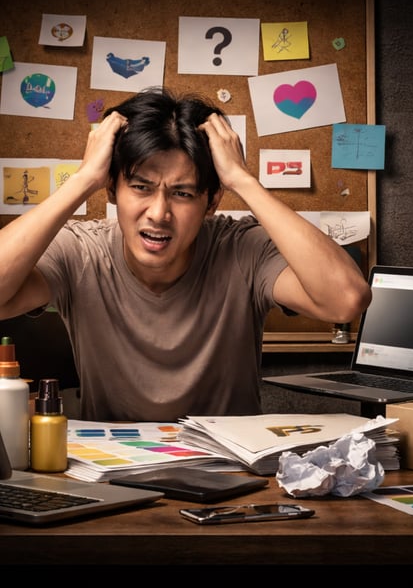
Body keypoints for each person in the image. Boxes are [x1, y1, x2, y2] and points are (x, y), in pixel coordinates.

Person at [0, 87, 372, 421]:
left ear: (210, 202)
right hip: (114, 478)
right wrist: (82, 181)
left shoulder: (242, 247)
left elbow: (347, 300)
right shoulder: (81, 251)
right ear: (112, 190)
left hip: (232, 477)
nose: (159, 213)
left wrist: (243, 180)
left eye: (182, 193)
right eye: (141, 187)